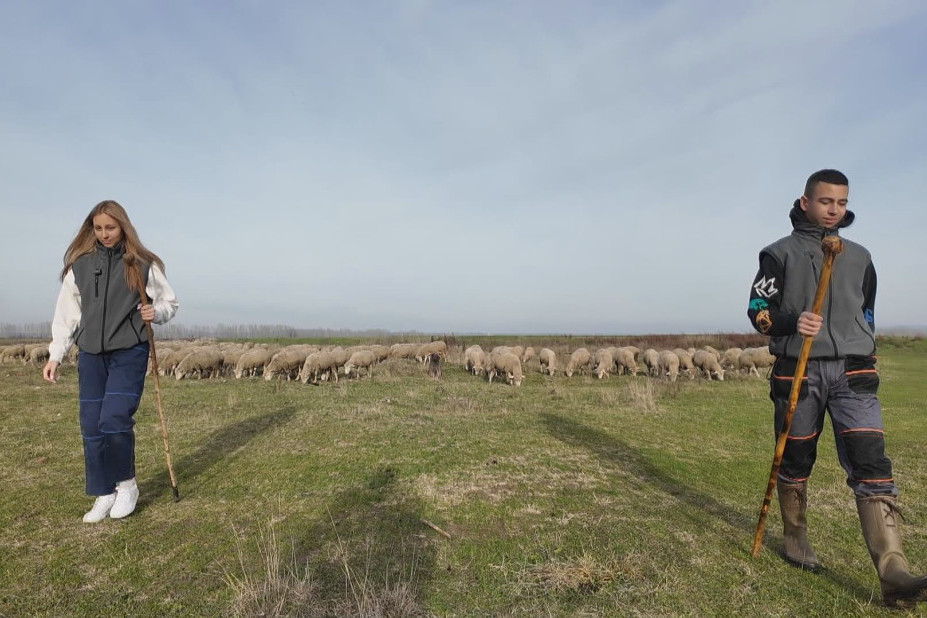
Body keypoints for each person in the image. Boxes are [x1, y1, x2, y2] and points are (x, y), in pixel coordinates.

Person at [747, 169, 926, 607]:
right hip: (799, 372)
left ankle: (894, 571)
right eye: (826, 201)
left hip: (854, 375)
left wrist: (866, 349)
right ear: (805, 202)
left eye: (842, 203)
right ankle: (795, 540)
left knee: (872, 462)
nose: (835, 210)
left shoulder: (861, 256)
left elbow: (866, 312)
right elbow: (757, 310)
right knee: (795, 458)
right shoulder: (777, 253)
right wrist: (792, 321)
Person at [42, 200, 178, 523]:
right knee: (91, 423)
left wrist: (154, 313)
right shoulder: (80, 266)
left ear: (123, 227)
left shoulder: (141, 264)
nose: (104, 234)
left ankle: (127, 485)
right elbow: (66, 314)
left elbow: (169, 302)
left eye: (110, 228)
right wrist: (55, 355)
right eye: (98, 228)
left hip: (129, 350)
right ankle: (104, 492)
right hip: (90, 354)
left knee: (114, 417)